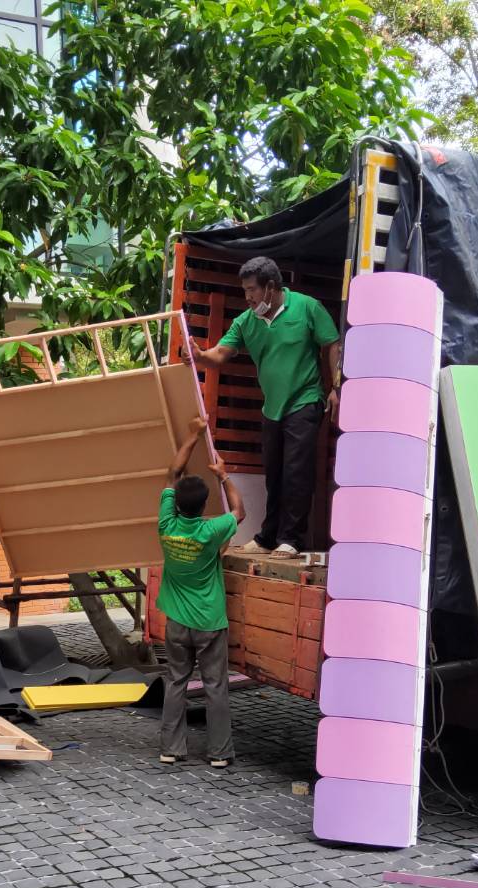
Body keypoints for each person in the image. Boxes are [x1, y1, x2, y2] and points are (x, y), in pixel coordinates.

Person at [191, 255, 340, 558]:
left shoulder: (307, 307)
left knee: (296, 472)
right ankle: (268, 537)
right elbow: (219, 354)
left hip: (305, 399)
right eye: (245, 290)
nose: (247, 297)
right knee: (274, 474)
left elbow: (332, 343)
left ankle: (291, 539)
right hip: (272, 407)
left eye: (252, 290)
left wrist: (336, 387)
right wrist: (199, 356)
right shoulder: (246, 321)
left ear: (270, 287)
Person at [157, 417, 245, 768]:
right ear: (204, 506)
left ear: (176, 503)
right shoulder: (211, 531)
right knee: (215, 686)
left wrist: (193, 434)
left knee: (176, 682)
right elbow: (239, 512)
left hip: (177, 623)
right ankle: (219, 753)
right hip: (209, 621)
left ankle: (171, 749)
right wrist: (223, 476)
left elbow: (172, 473)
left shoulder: (166, 525)